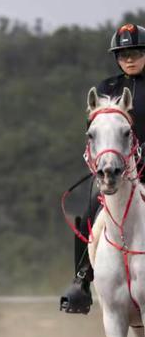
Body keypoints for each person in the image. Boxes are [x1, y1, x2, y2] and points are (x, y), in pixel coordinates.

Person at [60, 23, 145, 314]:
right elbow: (95, 129)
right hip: (116, 168)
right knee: (88, 213)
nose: (129, 59)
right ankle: (82, 279)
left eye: (134, 52)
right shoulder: (108, 87)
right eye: (122, 54)